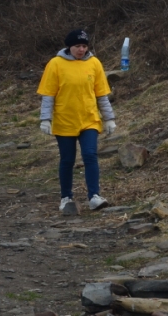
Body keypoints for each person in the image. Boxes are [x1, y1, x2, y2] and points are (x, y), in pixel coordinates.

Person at [37, 29, 116, 215]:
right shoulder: (55, 64)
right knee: (67, 159)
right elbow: (48, 95)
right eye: (77, 46)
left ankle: (94, 196)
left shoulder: (94, 63)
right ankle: (66, 197)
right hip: (65, 121)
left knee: (90, 155)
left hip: (89, 119)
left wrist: (109, 118)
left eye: (84, 46)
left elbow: (102, 95)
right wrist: (45, 119)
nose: (81, 50)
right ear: (69, 47)